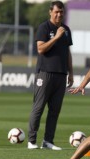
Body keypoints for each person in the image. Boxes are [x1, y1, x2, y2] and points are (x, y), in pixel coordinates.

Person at [27, 1, 74, 150]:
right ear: (50, 12)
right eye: (56, 12)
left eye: (61, 12)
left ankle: (48, 141)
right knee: (39, 107)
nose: (59, 14)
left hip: (61, 75)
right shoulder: (44, 27)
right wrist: (55, 37)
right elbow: (40, 49)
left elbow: (67, 53)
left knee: (54, 110)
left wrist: (71, 73)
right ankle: (31, 141)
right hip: (45, 73)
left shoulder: (66, 29)